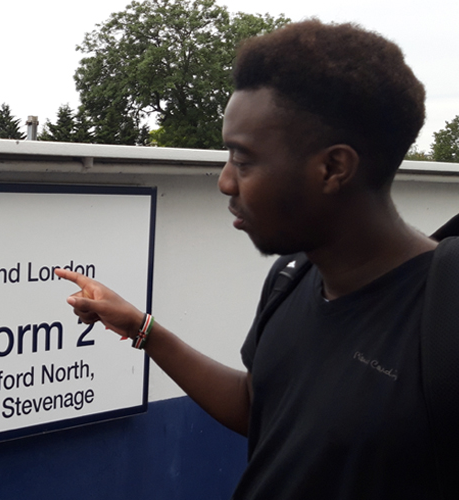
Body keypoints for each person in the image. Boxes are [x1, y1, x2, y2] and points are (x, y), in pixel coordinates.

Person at [55, 20, 446, 499]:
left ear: (333, 168)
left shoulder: (443, 312)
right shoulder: (292, 279)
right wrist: (141, 328)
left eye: (243, 160)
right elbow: (257, 404)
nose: (225, 181)